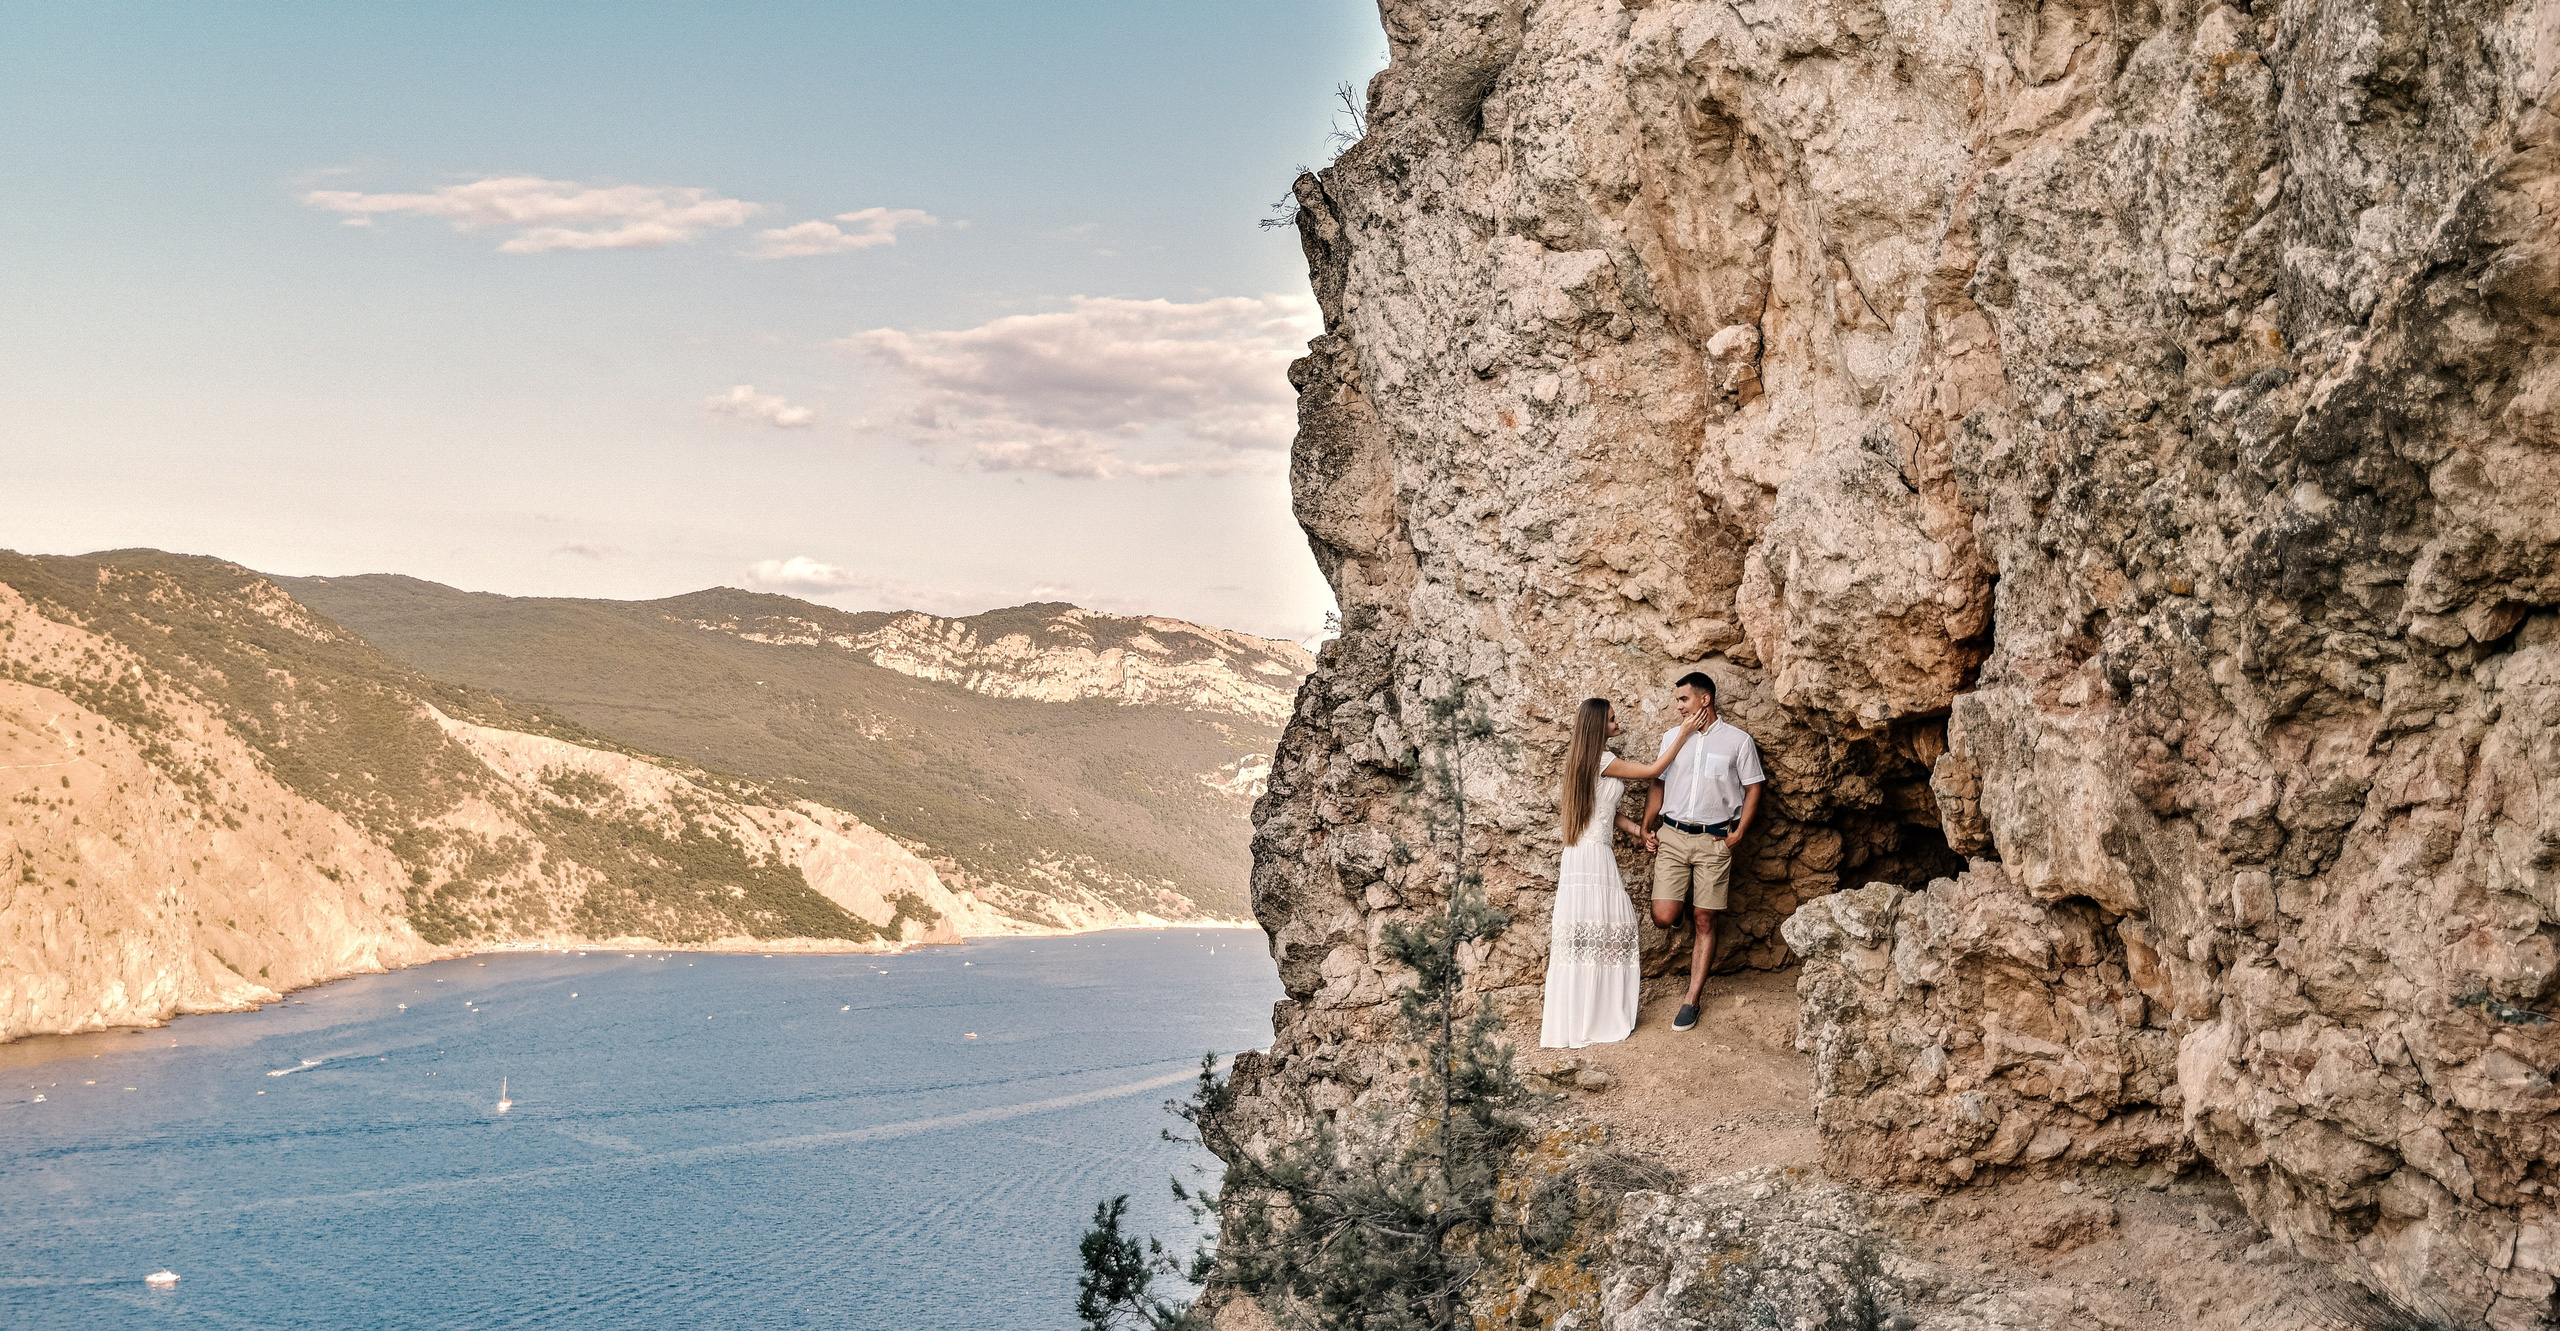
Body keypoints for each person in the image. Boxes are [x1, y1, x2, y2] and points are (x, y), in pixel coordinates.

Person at [1540, 697, 1708, 1048]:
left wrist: (1637, 831)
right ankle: (1594, 1017)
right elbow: (1653, 770)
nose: (1618, 724)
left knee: (1594, 933)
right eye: (1613, 720)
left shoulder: (1587, 760)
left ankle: (1588, 1014)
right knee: (1606, 931)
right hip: (1591, 856)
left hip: (1587, 853)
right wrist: (1684, 732)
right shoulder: (1603, 761)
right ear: (1598, 726)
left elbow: (1602, 810)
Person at [1641, 671, 1765, 1033]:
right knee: (1663, 916)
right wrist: (1648, 824)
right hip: (1673, 836)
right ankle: (1678, 907)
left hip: (1714, 841)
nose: (1679, 706)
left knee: (1705, 920)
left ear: (1704, 699)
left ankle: (1691, 1000)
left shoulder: (1738, 741)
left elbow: (1754, 787)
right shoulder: (1671, 737)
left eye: (1683, 699)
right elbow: (1657, 783)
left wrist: (1738, 833)